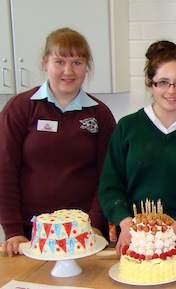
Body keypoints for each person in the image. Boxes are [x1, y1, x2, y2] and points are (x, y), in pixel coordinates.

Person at [0, 28, 115, 256]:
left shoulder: (100, 115)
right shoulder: (20, 108)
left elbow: (108, 176)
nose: (68, 71)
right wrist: (13, 230)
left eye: (77, 62)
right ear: (45, 63)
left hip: (85, 233)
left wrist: (94, 224)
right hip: (29, 233)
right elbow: (5, 170)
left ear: (87, 66)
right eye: (60, 61)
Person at [99, 40, 176, 256]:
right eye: (163, 82)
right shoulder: (127, 128)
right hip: (136, 239)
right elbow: (111, 184)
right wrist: (125, 223)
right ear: (150, 83)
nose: (171, 90)